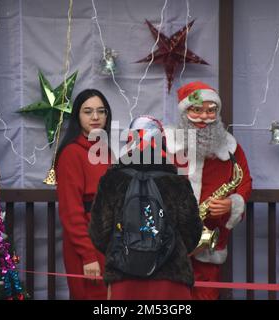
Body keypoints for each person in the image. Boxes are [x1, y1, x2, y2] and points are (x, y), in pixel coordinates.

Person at [89, 115, 203, 300]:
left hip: (124, 279)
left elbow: (98, 234)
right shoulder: (177, 181)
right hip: (171, 280)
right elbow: (192, 234)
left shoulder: (112, 180)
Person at [173, 81, 253, 300]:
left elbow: (244, 182)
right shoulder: (166, 145)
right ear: (184, 111)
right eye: (197, 110)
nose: (204, 117)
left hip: (209, 244)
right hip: (170, 245)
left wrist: (232, 203)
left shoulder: (231, 148)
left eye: (211, 110)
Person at [55, 88, 113, 300]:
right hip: (87, 244)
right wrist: (88, 256)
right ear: (77, 117)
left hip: (110, 242)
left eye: (101, 111)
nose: (95, 117)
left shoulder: (105, 150)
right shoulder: (71, 153)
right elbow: (71, 212)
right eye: (88, 111)